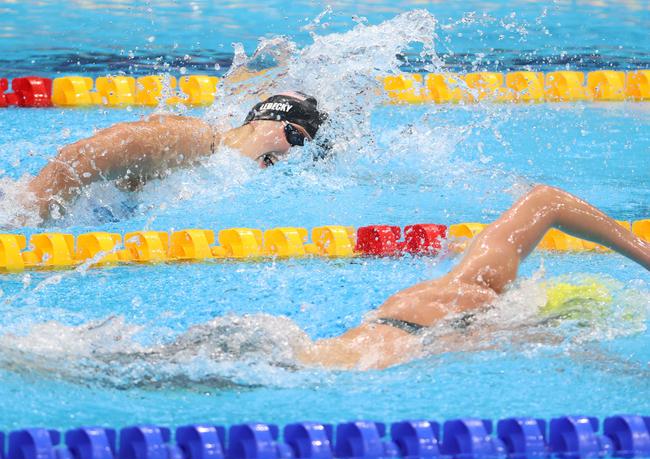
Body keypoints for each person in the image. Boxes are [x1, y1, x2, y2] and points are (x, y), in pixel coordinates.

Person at [296, 185, 650, 370]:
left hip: (370, 343)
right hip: (398, 349)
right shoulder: (483, 290)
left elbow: (547, 199)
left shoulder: (467, 288)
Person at [27, 91, 328, 219]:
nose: (288, 156)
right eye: (294, 138)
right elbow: (80, 157)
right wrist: (27, 217)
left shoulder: (215, 170)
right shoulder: (193, 139)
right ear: (267, 122)